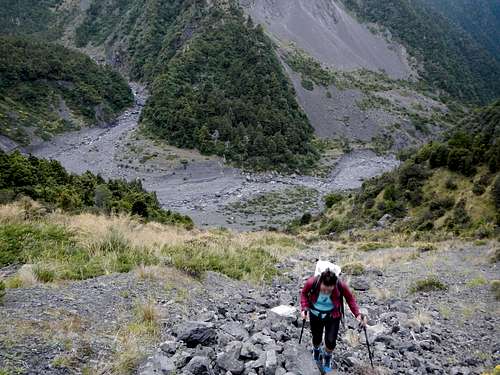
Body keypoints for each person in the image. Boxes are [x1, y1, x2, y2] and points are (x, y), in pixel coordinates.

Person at [300, 269, 367, 372]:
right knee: (316, 337)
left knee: (331, 341)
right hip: (315, 314)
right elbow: (304, 294)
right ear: (320, 282)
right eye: (324, 289)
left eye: (329, 289)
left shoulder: (340, 285)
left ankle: (327, 357)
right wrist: (304, 308)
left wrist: (357, 314)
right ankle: (316, 351)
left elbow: (350, 299)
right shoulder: (312, 282)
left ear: (334, 285)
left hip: (333, 316)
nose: (326, 292)